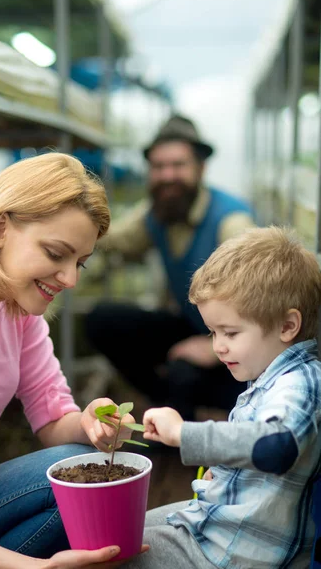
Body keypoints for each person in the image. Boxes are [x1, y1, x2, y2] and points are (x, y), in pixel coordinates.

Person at [0, 152, 146, 569]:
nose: (71, 279)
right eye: (56, 253)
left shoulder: (14, 311)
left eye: (79, 262)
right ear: (0, 228)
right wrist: (32, 566)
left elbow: (51, 417)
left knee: (82, 489)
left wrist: (91, 422)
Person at [122, 226, 321, 569]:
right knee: (122, 533)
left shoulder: (301, 384)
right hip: (219, 528)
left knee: (112, 553)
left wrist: (183, 433)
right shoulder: (272, 376)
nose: (218, 346)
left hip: (233, 552)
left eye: (230, 332)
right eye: (213, 332)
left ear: (288, 326)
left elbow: (278, 445)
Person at [85, 114, 256, 420]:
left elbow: (262, 303)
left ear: (201, 168)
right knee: (103, 320)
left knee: (184, 372)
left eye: (178, 165)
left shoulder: (230, 222)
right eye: (158, 167)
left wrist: (212, 347)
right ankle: (167, 406)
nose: (167, 175)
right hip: (192, 326)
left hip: (239, 347)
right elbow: (115, 239)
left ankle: (182, 431)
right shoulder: (157, 214)